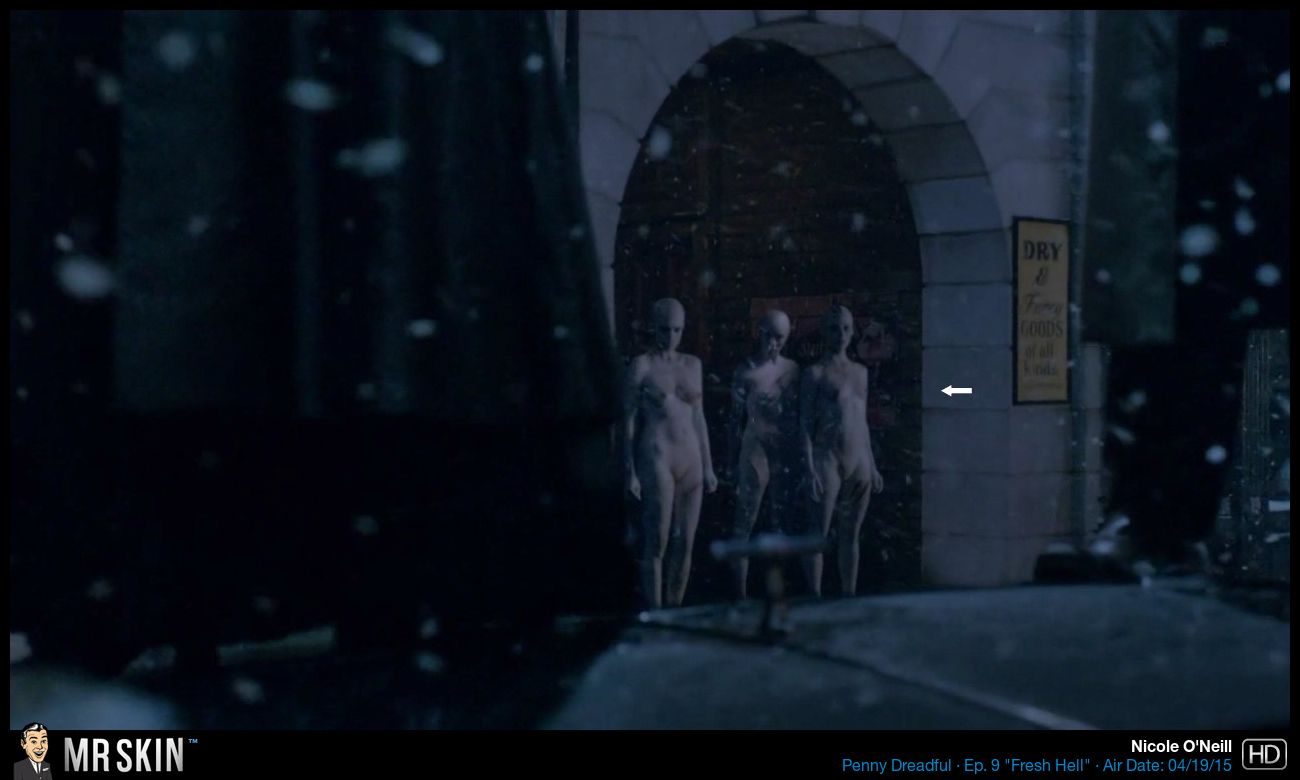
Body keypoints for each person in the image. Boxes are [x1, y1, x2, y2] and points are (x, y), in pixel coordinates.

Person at [624, 298, 718, 608]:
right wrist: (629, 470)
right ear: (653, 328)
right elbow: (628, 421)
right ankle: (656, 611)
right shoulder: (642, 365)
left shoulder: (692, 364)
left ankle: (675, 610)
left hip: (691, 457)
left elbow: (699, 417)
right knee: (658, 540)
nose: (671, 336)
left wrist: (708, 465)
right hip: (657, 455)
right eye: (665, 329)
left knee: (685, 542)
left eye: (677, 330)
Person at [800, 305, 884, 596]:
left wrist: (872, 465)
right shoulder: (815, 374)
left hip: (858, 459)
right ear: (825, 332)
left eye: (847, 328)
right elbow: (805, 424)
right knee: (818, 535)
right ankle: (814, 597)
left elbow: (861, 421)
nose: (842, 335)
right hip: (828, 458)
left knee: (851, 535)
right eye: (835, 329)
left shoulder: (860, 372)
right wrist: (809, 468)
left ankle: (849, 595)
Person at [727, 309, 800, 599]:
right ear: (759, 333)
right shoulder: (746, 371)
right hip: (754, 448)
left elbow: (798, 417)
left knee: (781, 524)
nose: (772, 343)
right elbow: (734, 421)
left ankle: (778, 594)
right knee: (744, 522)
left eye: (779, 337)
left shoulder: (792, 370)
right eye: (768, 335)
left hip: (782, 451)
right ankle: (740, 595)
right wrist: (731, 462)